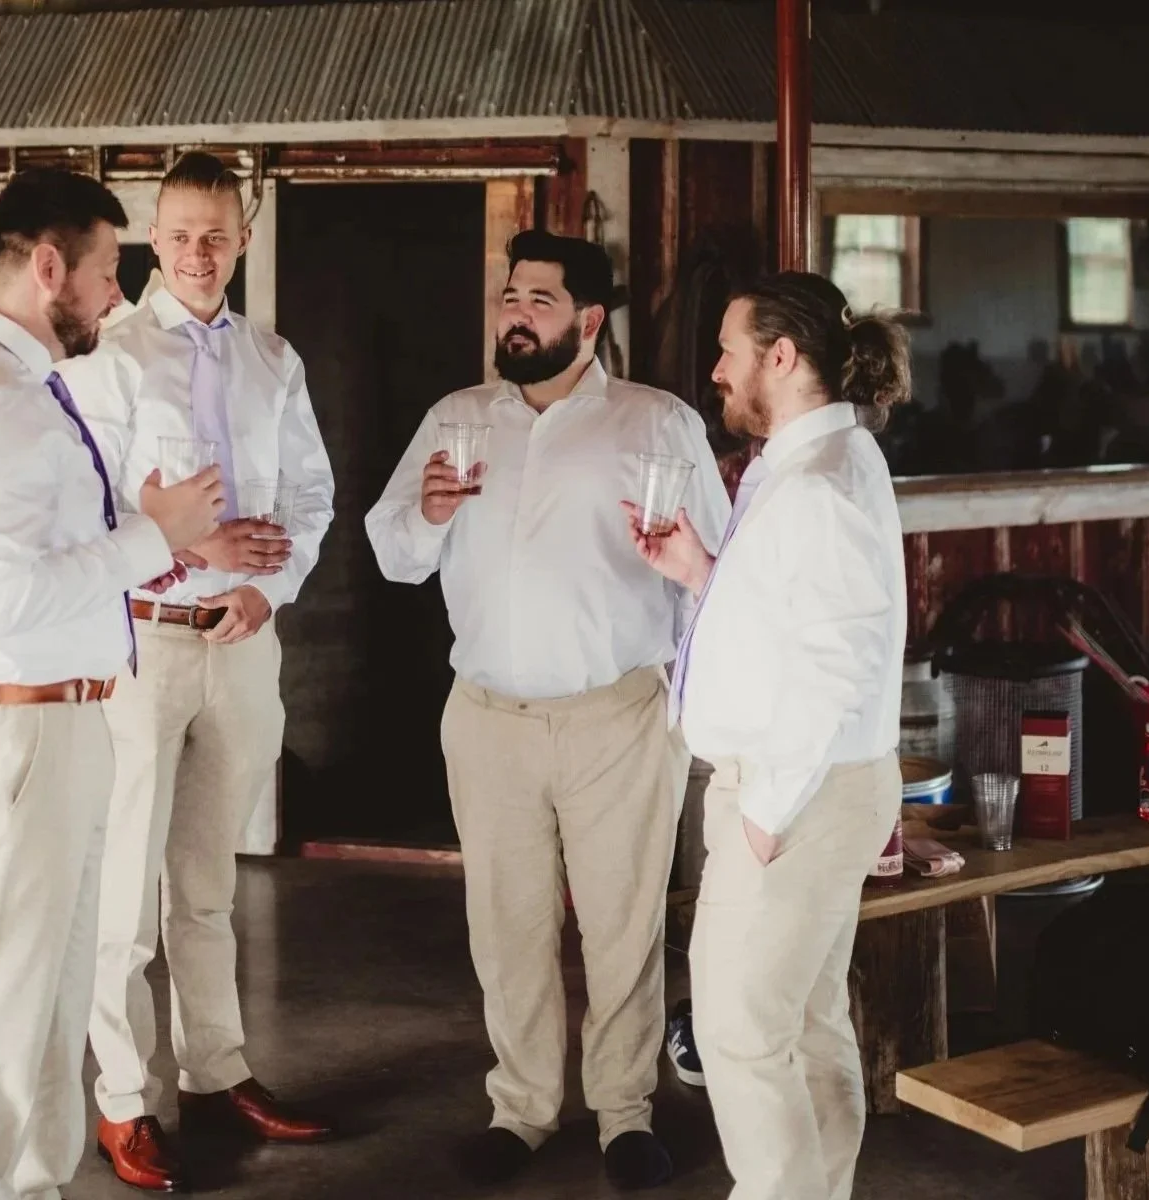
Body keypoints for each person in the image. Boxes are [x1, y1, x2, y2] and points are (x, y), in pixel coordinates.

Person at [0, 167, 225, 1200]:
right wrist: (150, 537)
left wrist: (139, 557)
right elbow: (4, 605)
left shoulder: (13, 386)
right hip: (14, 736)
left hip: (47, 728)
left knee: (51, 1003)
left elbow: (36, 570)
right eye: (108, 269)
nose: (118, 294)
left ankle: (31, 1188)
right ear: (45, 266)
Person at [366, 230, 729, 1192]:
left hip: (619, 716)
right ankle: (521, 1109)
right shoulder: (456, 418)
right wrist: (429, 514)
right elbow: (392, 554)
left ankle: (625, 1113)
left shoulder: (656, 423)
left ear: (589, 319)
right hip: (488, 717)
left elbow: (716, 576)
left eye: (540, 300)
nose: (516, 315)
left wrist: (701, 708)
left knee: (622, 928)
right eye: (510, 297)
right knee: (507, 927)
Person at [59, 150, 336, 1192]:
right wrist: (192, 548)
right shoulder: (112, 357)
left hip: (243, 642)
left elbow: (310, 495)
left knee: (209, 885)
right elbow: (85, 504)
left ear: (244, 237)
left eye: (217, 235)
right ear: (152, 237)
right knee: (125, 894)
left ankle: (217, 1077)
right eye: (179, 235)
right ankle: (124, 1103)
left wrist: (272, 590)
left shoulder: (273, 358)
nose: (198, 253)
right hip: (141, 644)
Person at [628, 271, 909, 1200]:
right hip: (812, 787)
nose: (716, 370)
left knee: (743, 1036)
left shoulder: (819, 483)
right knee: (806, 1025)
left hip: (795, 793)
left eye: (729, 351)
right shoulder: (817, 460)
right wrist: (703, 572)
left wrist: (768, 811)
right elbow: (794, 618)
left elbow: (837, 661)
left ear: (781, 358)